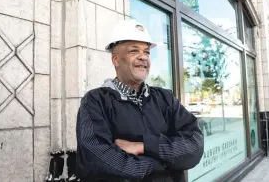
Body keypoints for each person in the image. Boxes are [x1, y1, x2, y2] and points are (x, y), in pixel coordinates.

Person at [75, 19, 204, 182]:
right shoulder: (95, 101)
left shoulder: (165, 98)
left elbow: (195, 144)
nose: (143, 57)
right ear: (115, 60)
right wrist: (161, 163)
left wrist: (145, 146)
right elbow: (98, 159)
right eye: (134, 51)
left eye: (147, 52)